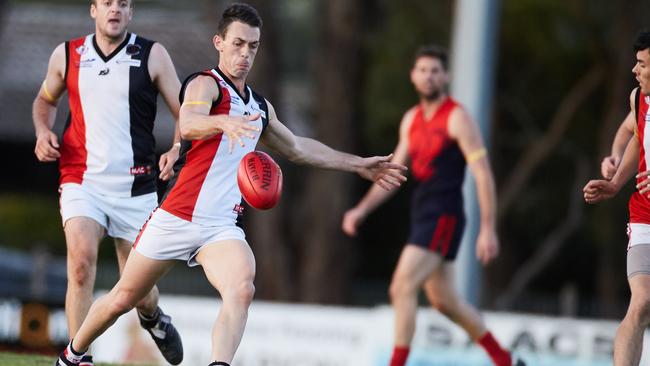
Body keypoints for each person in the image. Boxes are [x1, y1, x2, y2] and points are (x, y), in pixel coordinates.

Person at [53, 3, 408, 366]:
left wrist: (358, 164)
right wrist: (223, 123)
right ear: (219, 42)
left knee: (241, 287)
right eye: (238, 44)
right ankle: (72, 354)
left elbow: (299, 148)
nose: (245, 54)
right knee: (123, 298)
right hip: (176, 217)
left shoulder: (257, 107)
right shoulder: (206, 84)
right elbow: (189, 123)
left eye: (252, 46)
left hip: (219, 227)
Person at [341, 45, 524, 366]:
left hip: (445, 214)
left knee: (401, 285)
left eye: (435, 71)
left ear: (446, 76)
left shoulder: (457, 117)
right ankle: (505, 360)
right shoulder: (411, 119)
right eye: (423, 70)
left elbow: (482, 174)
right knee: (445, 302)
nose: (429, 77)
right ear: (413, 76)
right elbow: (392, 175)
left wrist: (488, 228)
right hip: (422, 212)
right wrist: (361, 209)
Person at [33, 0, 184, 365]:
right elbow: (44, 99)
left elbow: (186, 111)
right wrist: (41, 130)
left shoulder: (153, 54)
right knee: (81, 264)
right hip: (81, 181)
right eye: (107, 3)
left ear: (130, 12)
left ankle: (152, 317)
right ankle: (78, 356)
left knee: (137, 290)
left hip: (137, 187)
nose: (114, 9)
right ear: (93, 10)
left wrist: (178, 147)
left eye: (123, 3)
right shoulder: (67, 54)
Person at [584, 30, 650, 366]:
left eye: (641, 64)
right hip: (644, 216)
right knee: (640, 303)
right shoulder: (639, 97)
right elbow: (635, 136)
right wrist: (615, 182)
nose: (635, 70)